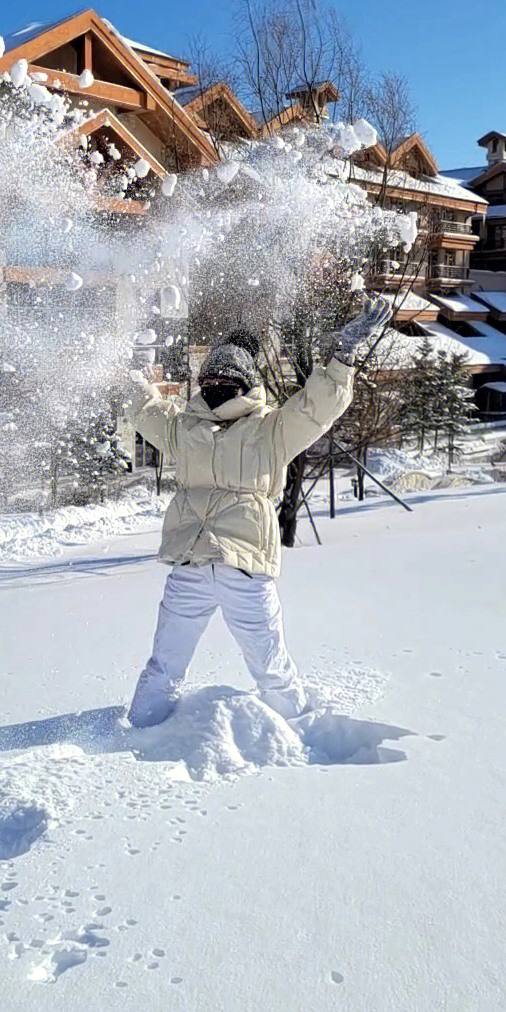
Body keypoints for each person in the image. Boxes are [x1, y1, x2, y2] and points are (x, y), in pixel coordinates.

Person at [123, 296, 392, 727]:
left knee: (165, 667)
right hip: (241, 570)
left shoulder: (189, 429)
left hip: (195, 566)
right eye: (212, 379)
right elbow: (315, 408)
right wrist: (342, 357)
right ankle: (296, 727)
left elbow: (144, 408)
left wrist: (125, 375)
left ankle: (141, 730)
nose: (214, 387)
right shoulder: (269, 429)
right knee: (271, 668)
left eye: (218, 380)